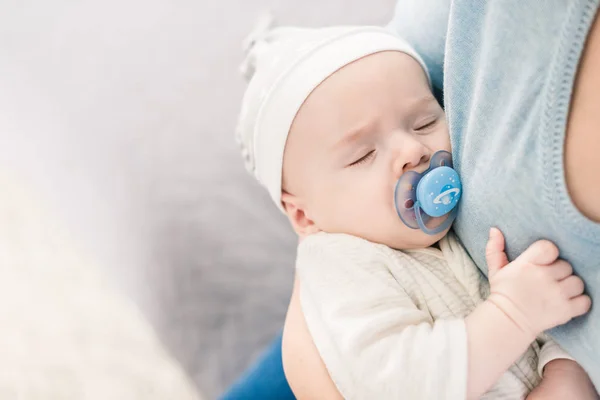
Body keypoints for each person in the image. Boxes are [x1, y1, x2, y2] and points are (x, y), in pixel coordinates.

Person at [229, 20, 594, 399]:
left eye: (424, 122)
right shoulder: (341, 266)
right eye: (363, 155)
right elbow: (402, 383)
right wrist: (513, 314)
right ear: (304, 216)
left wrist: (562, 363)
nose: (411, 151)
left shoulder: (437, 233)